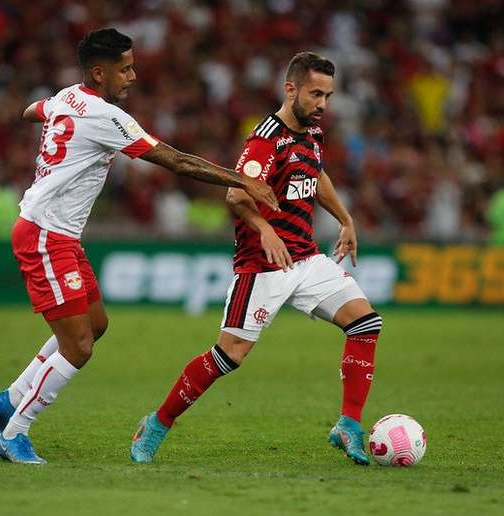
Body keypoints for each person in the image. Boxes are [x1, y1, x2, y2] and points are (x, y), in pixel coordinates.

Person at [0, 28, 278, 465]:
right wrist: (243, 179)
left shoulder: (66, 96)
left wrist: (52, 122)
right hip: (45, 235)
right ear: (99, 73)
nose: (133, 76)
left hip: (60, 234)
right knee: (78, 347)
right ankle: (15, 432)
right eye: (126, 69)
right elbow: (177, 161)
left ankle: (11, 398)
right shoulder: (107, 117)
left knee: (95, 325)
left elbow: (34, 110)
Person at [130, 52, 382, 465]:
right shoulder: (265, 139)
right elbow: (236, 193)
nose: (322, 104)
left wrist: (345, 219)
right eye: (315, 93)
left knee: (365, 323)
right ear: (291, 89)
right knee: (228, 355)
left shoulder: (312, 132)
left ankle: (349, 426)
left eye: (328, 96)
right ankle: (157, 423)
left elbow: (315, 175)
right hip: (263, 266)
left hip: (305, 258)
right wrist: (265, 229)